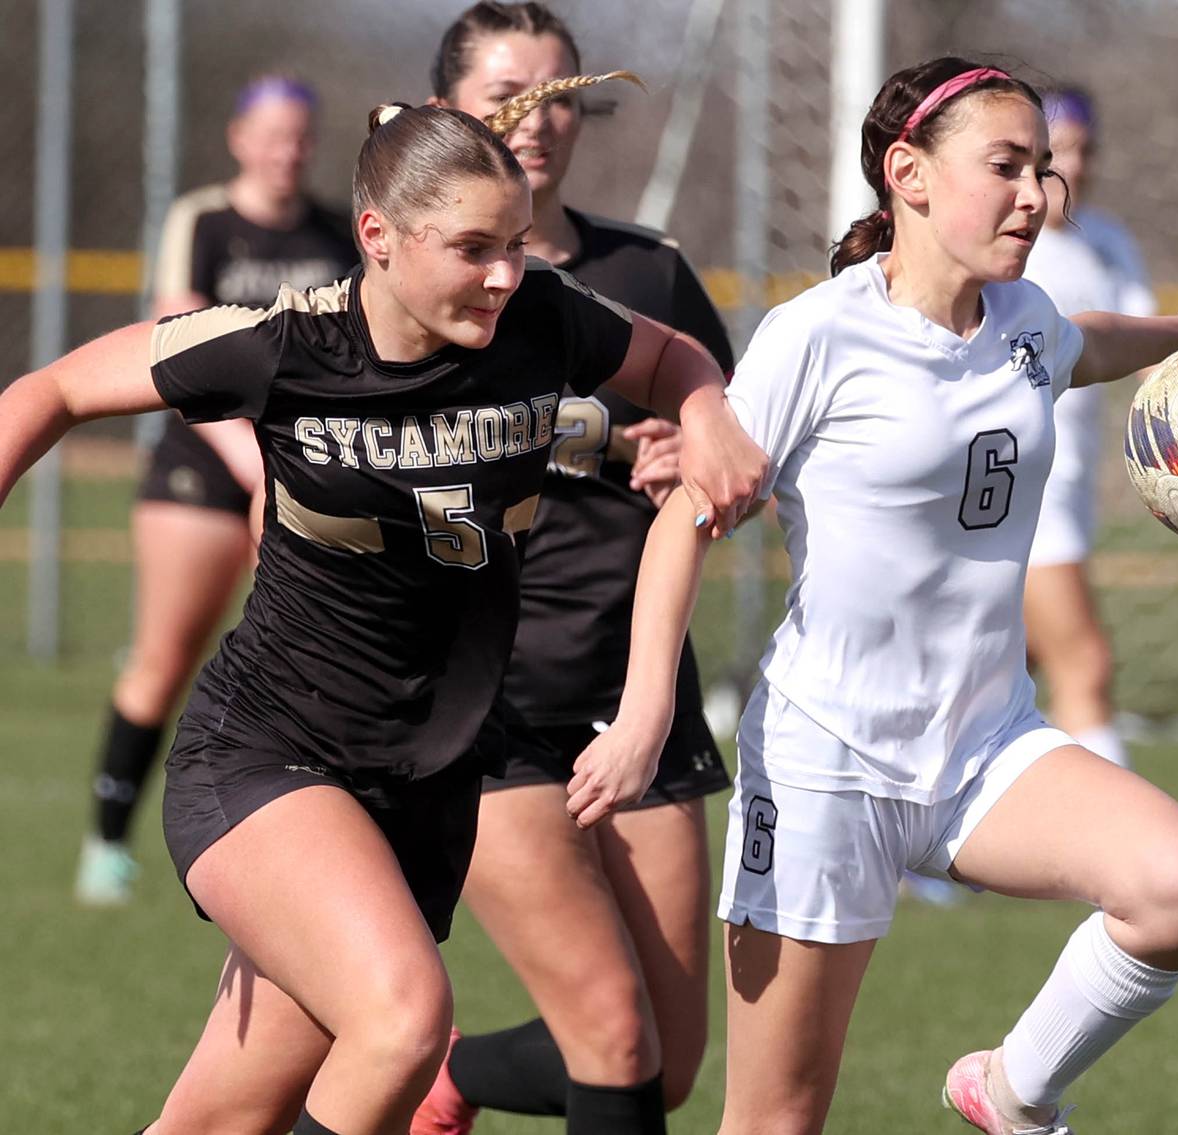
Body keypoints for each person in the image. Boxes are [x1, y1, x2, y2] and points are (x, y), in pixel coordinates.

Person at [1, 85, 763, 1135]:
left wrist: (707, 410)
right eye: (471, 248)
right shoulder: (282, 344)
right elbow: (48, 392)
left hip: (423, 778)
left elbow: (671, 356)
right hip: (268, 751)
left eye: (513, 244)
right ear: (379, 237)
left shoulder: (543, 316)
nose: (505, 274)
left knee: (224, 1117)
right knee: (404, 1020)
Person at [565, 57, 1178, 1135]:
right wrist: (649, 708)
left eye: (1043, 170)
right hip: (828, 763)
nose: (1037, 193)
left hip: (984, 745)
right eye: (1007, 166)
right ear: (910, 175)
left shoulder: (1024, 318)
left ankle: (1013, 1093)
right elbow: (682, 522)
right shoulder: (818, 337)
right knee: (777, 1119)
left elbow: (1083, 348)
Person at [409, 7, 733, 1134]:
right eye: (508, 92)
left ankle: (453, 1078)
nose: (537, 121)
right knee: (615, 1034)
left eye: (561, 96)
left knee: (668, 1063)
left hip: (635, 683)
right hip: (487, 704)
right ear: (445, 109)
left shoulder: (648, 273)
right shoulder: (402, 282)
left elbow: (727, 460)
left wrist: (699, 454)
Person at [75, 74, 357, 905]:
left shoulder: (337, 232)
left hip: (305, 477)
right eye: (272, 133)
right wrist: (250, 464)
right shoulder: (203, 220)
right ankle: (106, 843)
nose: (288, 149)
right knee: (164, 657)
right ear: (239, 138)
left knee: (322, 667)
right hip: (202, 471)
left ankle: (319, 846)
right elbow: (174, 343)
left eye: (302, 134)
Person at [1022, 85, 1157, 771]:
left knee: (992, 673)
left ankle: (915, 849)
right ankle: (1122, 868)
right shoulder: (1004, 252)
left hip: (1072, 487)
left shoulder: (1108, 244)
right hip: (1023, 489)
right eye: (1057, 151)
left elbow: (1148, 356)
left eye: (1084, 149)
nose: (1071, 166)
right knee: (1086, 664)